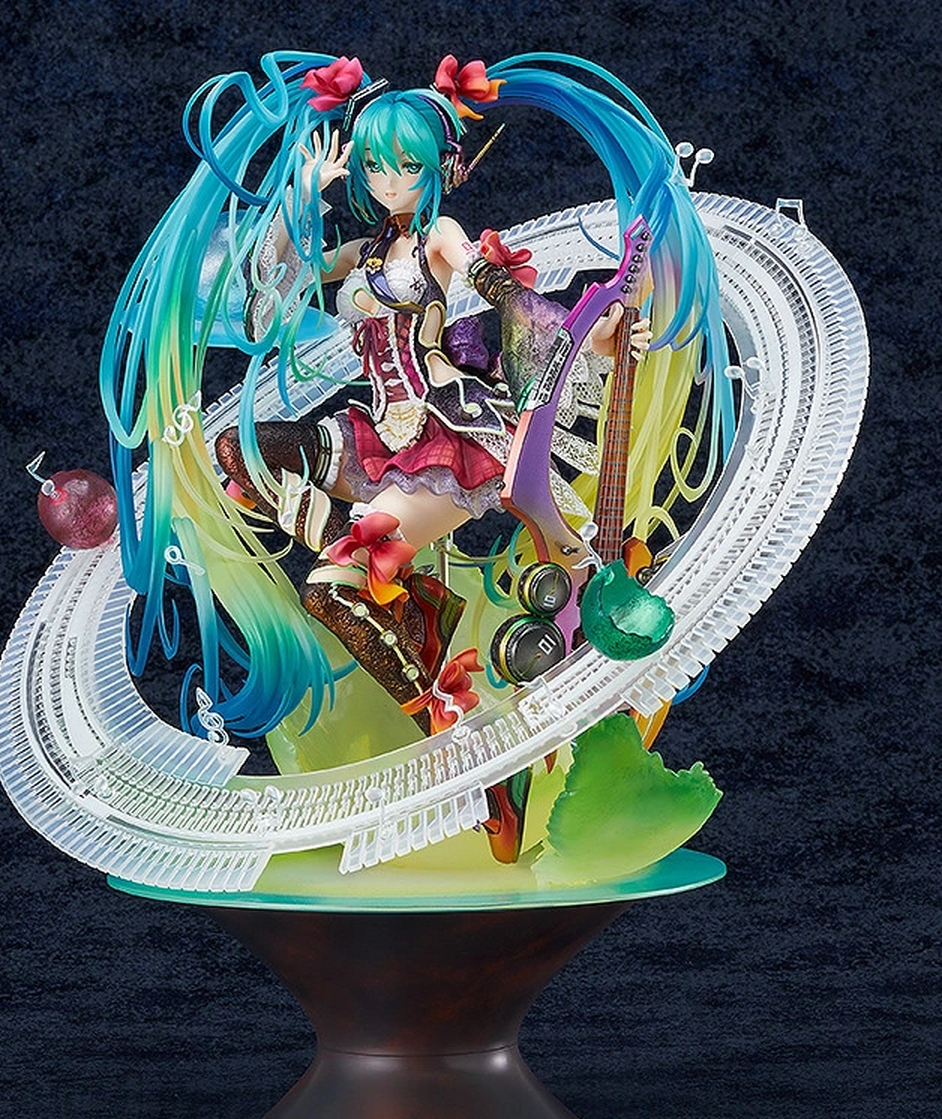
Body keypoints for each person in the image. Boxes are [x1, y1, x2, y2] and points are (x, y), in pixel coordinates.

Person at [101, 52, 734, 747]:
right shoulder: (363, 254)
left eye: (406, 165)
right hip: (377, 435)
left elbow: (498, 289)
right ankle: (402, 597)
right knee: (239, 451)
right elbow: (271, 293)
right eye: (375, 166)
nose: (388, 181)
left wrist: (592, 334)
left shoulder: (438, 237)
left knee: (330, 591)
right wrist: (303, 196)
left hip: (442, 440)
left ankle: (442, 715)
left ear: (439, 167)